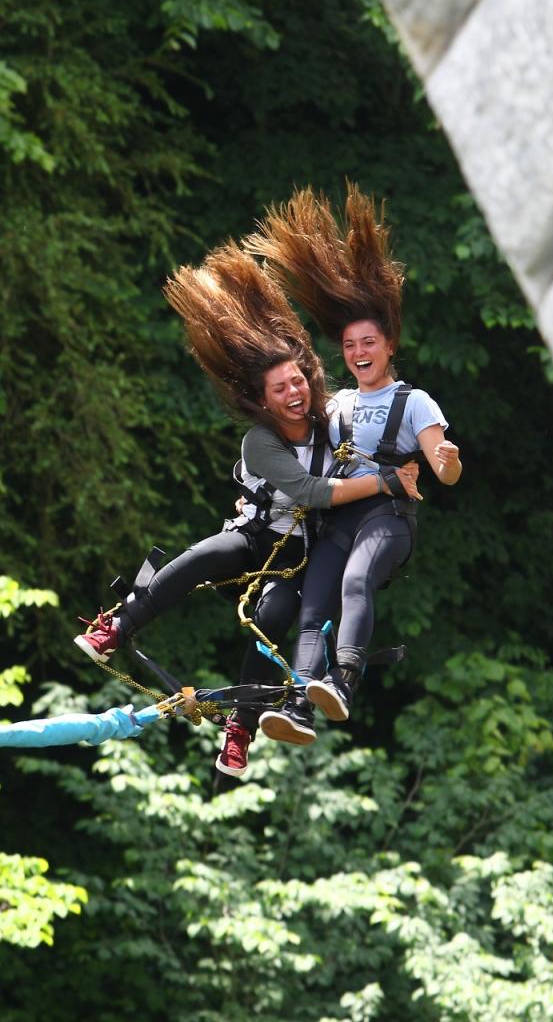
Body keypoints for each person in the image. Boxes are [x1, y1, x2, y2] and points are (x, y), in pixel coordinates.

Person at [73, 241, 419, 776]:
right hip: (256, 538)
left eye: (299, 381)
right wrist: (383, 484)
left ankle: (240, 729)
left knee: (274, 617)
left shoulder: (333, 421)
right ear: (264, 399)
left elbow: (375, 424)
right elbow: (310, 493)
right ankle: (119, 624)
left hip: (301, 555)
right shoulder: (261, 441)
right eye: (281, 389)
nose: (295, 393)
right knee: (206, 554)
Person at [245, 183, 462, 743]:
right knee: (313, 600)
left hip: (387, 520)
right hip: (337, 519)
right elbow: (298, 443)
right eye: (348, 346)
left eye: (368, 343)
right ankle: (299, 704)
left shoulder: (414, 402)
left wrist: (445, 458)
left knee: (357, 581)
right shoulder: (335, 403)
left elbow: (444, 470)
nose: (359, 353)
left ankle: (342, 680)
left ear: (389, 345)